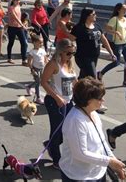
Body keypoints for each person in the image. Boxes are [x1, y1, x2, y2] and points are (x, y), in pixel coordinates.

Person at [59, 77, 126, 181]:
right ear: (88, 100)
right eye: (100, 98)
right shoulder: (76, 120)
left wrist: (113, 160)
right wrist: (110, 162)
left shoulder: (93, 113)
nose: (103, 100)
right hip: (79, 177)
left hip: (97, 173)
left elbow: (102, 142)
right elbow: (80, 153)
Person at [41, 38, 77, 170]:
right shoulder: (53, 64)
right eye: (68, 53)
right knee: (56, 131)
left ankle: (50, 145)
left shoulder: (70, 63)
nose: (71, 56)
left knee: (67, 129)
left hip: (69, 101)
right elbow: (43, 82)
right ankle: (57, 159)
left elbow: (75, 82)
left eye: (73, 53)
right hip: (54, 101)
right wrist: (57, 98)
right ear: (60, 52)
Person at [71, 8, 116, 80]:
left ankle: (78, 88)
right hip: (83, 57)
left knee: (84, 77)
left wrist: (111, 53)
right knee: (93, 76)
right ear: (87, 16)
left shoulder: (97, 26)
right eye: (93, 14)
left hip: (94, 56)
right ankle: (95, 90)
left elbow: (104, 40)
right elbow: (70, 40)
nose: (96, 15)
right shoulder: (79, 28)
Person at [99, 3, 126, 84]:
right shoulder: (114, 19)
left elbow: (125, 32)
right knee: (116, 62)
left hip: (125, 43)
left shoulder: (125, 19)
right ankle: (101, 73)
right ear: (118, 10)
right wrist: (115, 32)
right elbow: (106, 29)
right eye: (124, 9)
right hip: (117, 44)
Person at [25, 34, 48, 104]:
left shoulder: (43, 50)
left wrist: (48, 62)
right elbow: (29, 63)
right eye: (40, 42)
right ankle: (38, 98)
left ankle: (29, 86)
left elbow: (45, 60)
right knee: (38, 82)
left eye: (42, 42)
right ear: (34, 43)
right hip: (35, 69)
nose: (41, 44)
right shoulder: (32, 52)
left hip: (42, 68)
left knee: (39, 81)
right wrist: (32, 70)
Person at [7, 0, 28, 65]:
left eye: (18, 0)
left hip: (19, 28)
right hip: (12, 27)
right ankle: (9, 58)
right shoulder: (11, 8)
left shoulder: (18, 6)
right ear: (13, 1)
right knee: (11, 43)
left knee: (24, 43)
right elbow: (15, 17)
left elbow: (20, 17)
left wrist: (23, 24)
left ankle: (24, 60)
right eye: (16, 0)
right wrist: (23, 25)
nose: (18, 1)